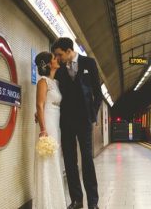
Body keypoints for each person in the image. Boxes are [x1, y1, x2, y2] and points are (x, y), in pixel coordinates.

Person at [52, 37, 103, 209]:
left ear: (68, 51)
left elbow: (98, 93)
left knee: (87, 160)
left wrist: (92, 116)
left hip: (84, 120)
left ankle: (93, 202)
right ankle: (76, 200)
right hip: (66, 120)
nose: (57, 58)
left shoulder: (89, 63)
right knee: (69, 160)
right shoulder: (59, 69)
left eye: (59, 54)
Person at [33, 51, 67, 208]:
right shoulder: (43, 82)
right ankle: (46, 204)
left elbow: (46, 103)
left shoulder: (56, 82)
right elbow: (39, 105)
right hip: (48, 124)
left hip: (55, 120)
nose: (57, 59)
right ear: (47, 64)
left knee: (54, 160)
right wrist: (43, 129)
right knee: (48, 159)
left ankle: (55, 202)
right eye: (54, 58)